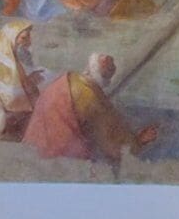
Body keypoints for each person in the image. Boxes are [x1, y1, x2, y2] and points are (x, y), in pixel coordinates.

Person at [24, 51, 155, 166]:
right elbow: (110, 144)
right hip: (58, 158)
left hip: (32, 146)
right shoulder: (89, 97)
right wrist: (138, 142)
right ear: (106, 80)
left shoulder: (70, 78)